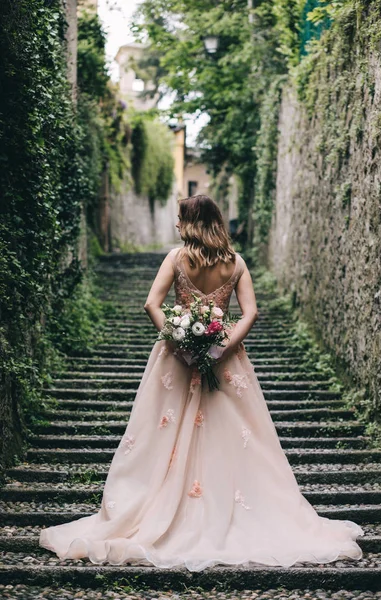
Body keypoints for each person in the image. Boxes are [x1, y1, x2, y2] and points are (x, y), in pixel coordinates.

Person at [39, 194, 364, 571]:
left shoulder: (177, 259)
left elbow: (151, 304)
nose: (177, 225)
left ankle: (164, 508)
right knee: (235, 436)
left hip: (176, 362)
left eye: (181, 219)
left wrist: (179, 342)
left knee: (159, 436)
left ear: (192, 223)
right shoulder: (236, 263)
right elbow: (251, 312)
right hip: (226, 362)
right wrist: (223, 346)